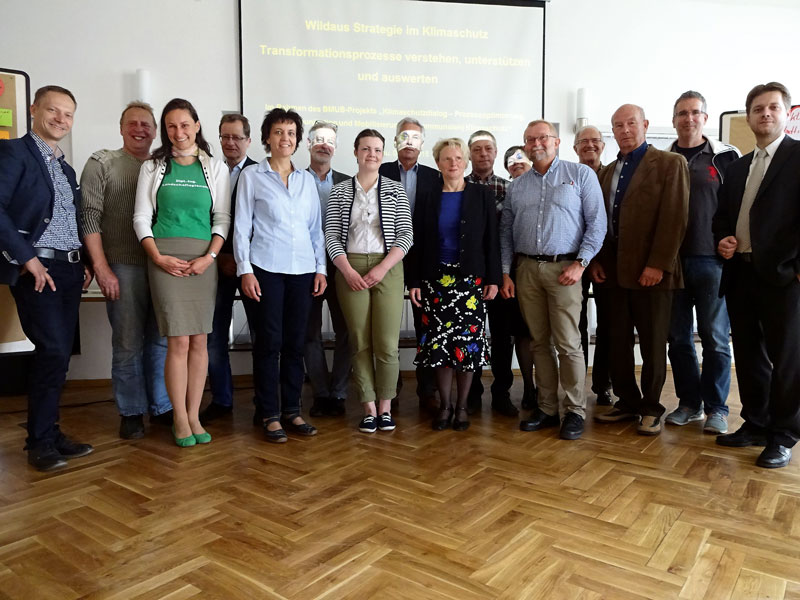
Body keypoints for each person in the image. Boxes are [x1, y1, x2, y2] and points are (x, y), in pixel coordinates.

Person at [0, 85, 94, 471]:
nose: (61, 119)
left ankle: (50, 433)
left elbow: (69, 219)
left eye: (68, 114)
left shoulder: (64, 166)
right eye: (54, 111)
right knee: (52, 351)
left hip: (70, 271)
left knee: (58, 356)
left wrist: (85, 260)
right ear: (34, 109)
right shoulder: (13, 152)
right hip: (39, 271)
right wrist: (27, 260)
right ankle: (39, 441)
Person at [133, 98, 230, 447]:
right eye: (172, 126)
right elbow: (141, 217)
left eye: (185, 125)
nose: (179, 132)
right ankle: (178, 418)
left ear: (197, 126)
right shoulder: (154, 166)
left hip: (204, 258)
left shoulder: (216, 167)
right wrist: (157, 256)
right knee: (177, 340)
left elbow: (222, 218)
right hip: (164, 257)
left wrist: (210, 256)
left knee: (200, 339)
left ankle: (194, 415)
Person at [713, 82, 800, 469]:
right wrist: (723, 240)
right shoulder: (737, 167)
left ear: (786, 114)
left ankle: (783, 436)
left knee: (788, 360)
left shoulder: (798, 157)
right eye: (758, 109)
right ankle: (756, 422)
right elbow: (721, 219)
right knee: (748, 355)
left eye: (773, 108)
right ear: (747, 117)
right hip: (742, 274)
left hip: (784, 278)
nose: (765, 114)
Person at [501, 120, 606, 440]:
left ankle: (574, 409)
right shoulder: (517, 187)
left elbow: (597, 224)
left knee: (569, 343)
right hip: (527, 271)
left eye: (542, 138)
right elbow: (506, 231)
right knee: (539, 343)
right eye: (529, 139)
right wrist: (506, 271)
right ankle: (547, 408)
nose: (536, 144)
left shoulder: (580, 175)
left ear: (557, 142)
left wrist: (581, 263)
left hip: (565, 270)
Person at [591, 104, 689, 436]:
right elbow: (599, 223)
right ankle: (627, 401)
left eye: (631, 123)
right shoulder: (606, 172)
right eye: (618, 125)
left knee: (651, 343)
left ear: (645, 125)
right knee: (616, 341)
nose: (625, 130)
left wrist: (657, 264)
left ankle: (651, 407)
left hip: (652, 273)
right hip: (612, 272)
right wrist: (596, 262)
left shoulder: (670, 164)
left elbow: (674, 217)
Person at [234, 108, 327, 443]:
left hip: (302, 272)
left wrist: (321, 268)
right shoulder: (252, 177)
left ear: (297, 140)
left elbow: (315, 230)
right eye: (278, 132)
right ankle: (269, 413)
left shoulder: (306, 181)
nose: (285, 138)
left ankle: (292, 409)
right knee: (269, 343)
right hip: (265, 270)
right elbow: (242, 227)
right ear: (267, 138)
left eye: (290, 132)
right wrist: (245, 270)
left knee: (295, 343)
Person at [81, 101, 173, 440]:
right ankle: (132, 411)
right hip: (122, 266)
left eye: (147, 124)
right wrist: (101, 269)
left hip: (162, 266)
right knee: (128, 343)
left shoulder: (167, 165)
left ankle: (161, 406)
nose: (140, 129)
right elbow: (88, 216)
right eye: (133, 123)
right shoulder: (103, 163)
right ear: (121, 128)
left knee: (161, 340)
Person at [409, 137, 501, 431]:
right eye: (447, 159)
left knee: (466, 347)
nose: (453, 164)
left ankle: (462, 408)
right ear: (438, 163)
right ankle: (445, 407)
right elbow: (418, 242)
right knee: (440, 347)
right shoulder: (427, 195)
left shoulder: (481, 195)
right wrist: (415, 280)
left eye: (458, 159)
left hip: (470, 282)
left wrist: (494, 279)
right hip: (436, 281)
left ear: (466, 162)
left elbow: (492, 241)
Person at [326, 129, 412, 433]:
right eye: (366, 149)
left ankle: (386, 408)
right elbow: (331, 237)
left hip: (387, 267)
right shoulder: (339, 191)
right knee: (359, 342)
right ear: (355, 152)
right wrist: (347, 270)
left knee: (387, 344)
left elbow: (406, 235)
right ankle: (369, 408)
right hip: (349, 267)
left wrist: (382, 268)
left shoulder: (394, 189)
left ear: (383, 153)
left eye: (377, 149)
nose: (371, 154)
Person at [664, 91, 739, 435]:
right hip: (673, 264)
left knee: (715, 339)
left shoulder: (725, 157)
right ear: (674, 119)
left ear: (705, 118)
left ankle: (717, 408)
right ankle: (689, 404)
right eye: (682, 113)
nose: (688, 118)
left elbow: (739, 208)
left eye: (695, 112)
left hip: (712, 261)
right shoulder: (663, 159)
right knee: (678, 338)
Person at [380, 117, 441, 409]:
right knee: (385, 325)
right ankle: (389, 386)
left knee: (425, 326)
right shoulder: (380, 170)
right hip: (385, 258)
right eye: (403, 137)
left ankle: (427, 390)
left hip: (424, 260)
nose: (408, 143)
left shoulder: (435, 177)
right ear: (394, 141)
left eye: (414, 138)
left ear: (422, 144)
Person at [201, 113, 258, 423]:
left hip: (252, 268)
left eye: (237, 137)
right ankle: (222, 400)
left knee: (263, 336)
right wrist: (218, 255)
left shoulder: (261, 173)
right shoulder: (208, 171)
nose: (231, 142)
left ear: (248, 140)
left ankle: (265, 401)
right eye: (225, 137)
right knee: (214, 336)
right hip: (214, 264)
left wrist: (241, 257)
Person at [465, 130, 521, 417]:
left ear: (496, 153)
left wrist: (504, 273)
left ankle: (502, 392)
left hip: (502, 276)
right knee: (471, 335)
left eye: (488, 149)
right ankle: (471, 392)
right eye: (477, 149)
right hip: (470, 275)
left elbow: (510, 235)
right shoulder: (459, 187)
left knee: (502, 336)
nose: (483, 154)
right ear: (469, 154)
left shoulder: (509, 188)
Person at [303, 120, 351, 418]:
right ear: (308, 143)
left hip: (341, 266)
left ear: (335, 146)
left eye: (329, 140)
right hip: (305, 268)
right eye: (318, 139)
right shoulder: (294, 179)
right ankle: (321, 393)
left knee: (347, 330)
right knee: (310, 332)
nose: (324, 144)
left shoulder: (348, 183)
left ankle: (340, 392)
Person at [572, 125, 614, 406]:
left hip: (608, 262)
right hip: (573, 261)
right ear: (574, 148)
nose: (589, 145)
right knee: (576, 326)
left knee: (609, 324)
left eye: (595, 140)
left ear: (603, 145)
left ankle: (602, 385)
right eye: (583, 141)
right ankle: (576, 386)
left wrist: (597, 259)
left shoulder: (615, 175)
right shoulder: (568, 175)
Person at [501, 145, 537, 411]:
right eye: (511, 163)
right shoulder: (507, 194)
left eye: (520, 161)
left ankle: (540, 387)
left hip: (538, 270)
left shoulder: (543, 190)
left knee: (536, 334)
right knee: (518, 333)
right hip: (510, 273)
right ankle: (527, 386)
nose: (516, 165)